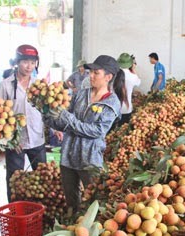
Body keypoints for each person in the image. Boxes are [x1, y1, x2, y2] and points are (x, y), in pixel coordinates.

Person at [44, 55, 125, 214]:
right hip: (68, 155)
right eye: (91, 72)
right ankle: (72, 226)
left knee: (93, 201)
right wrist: (49, 116)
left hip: (89, 159)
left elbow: (96, 131)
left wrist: (68, 119)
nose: (91, 76)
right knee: (71, 200)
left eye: (96, 73)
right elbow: (65, 121)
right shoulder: (81, 94)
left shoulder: (111, 103)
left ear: (108, 77)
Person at [0, 44, 46, 202]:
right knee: (14, 180)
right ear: (17, 62)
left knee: (43, 179)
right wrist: (10, 138)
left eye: (33, 62)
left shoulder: (39, 85)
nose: (29, 66)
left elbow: (45, 110)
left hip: (37, 137)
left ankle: (40, 210)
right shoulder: (5, 85)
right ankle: (13, 210)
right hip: (15, 141)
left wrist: (54, 128)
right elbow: (0, 114)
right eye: (25, 61)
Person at [116, 53, 141, 126]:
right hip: (126, 109)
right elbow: (138, 82)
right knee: (123, 129)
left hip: (114, 108)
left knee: (112, 133)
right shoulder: (132, 76)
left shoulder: (113, 74)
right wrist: (133, 70)